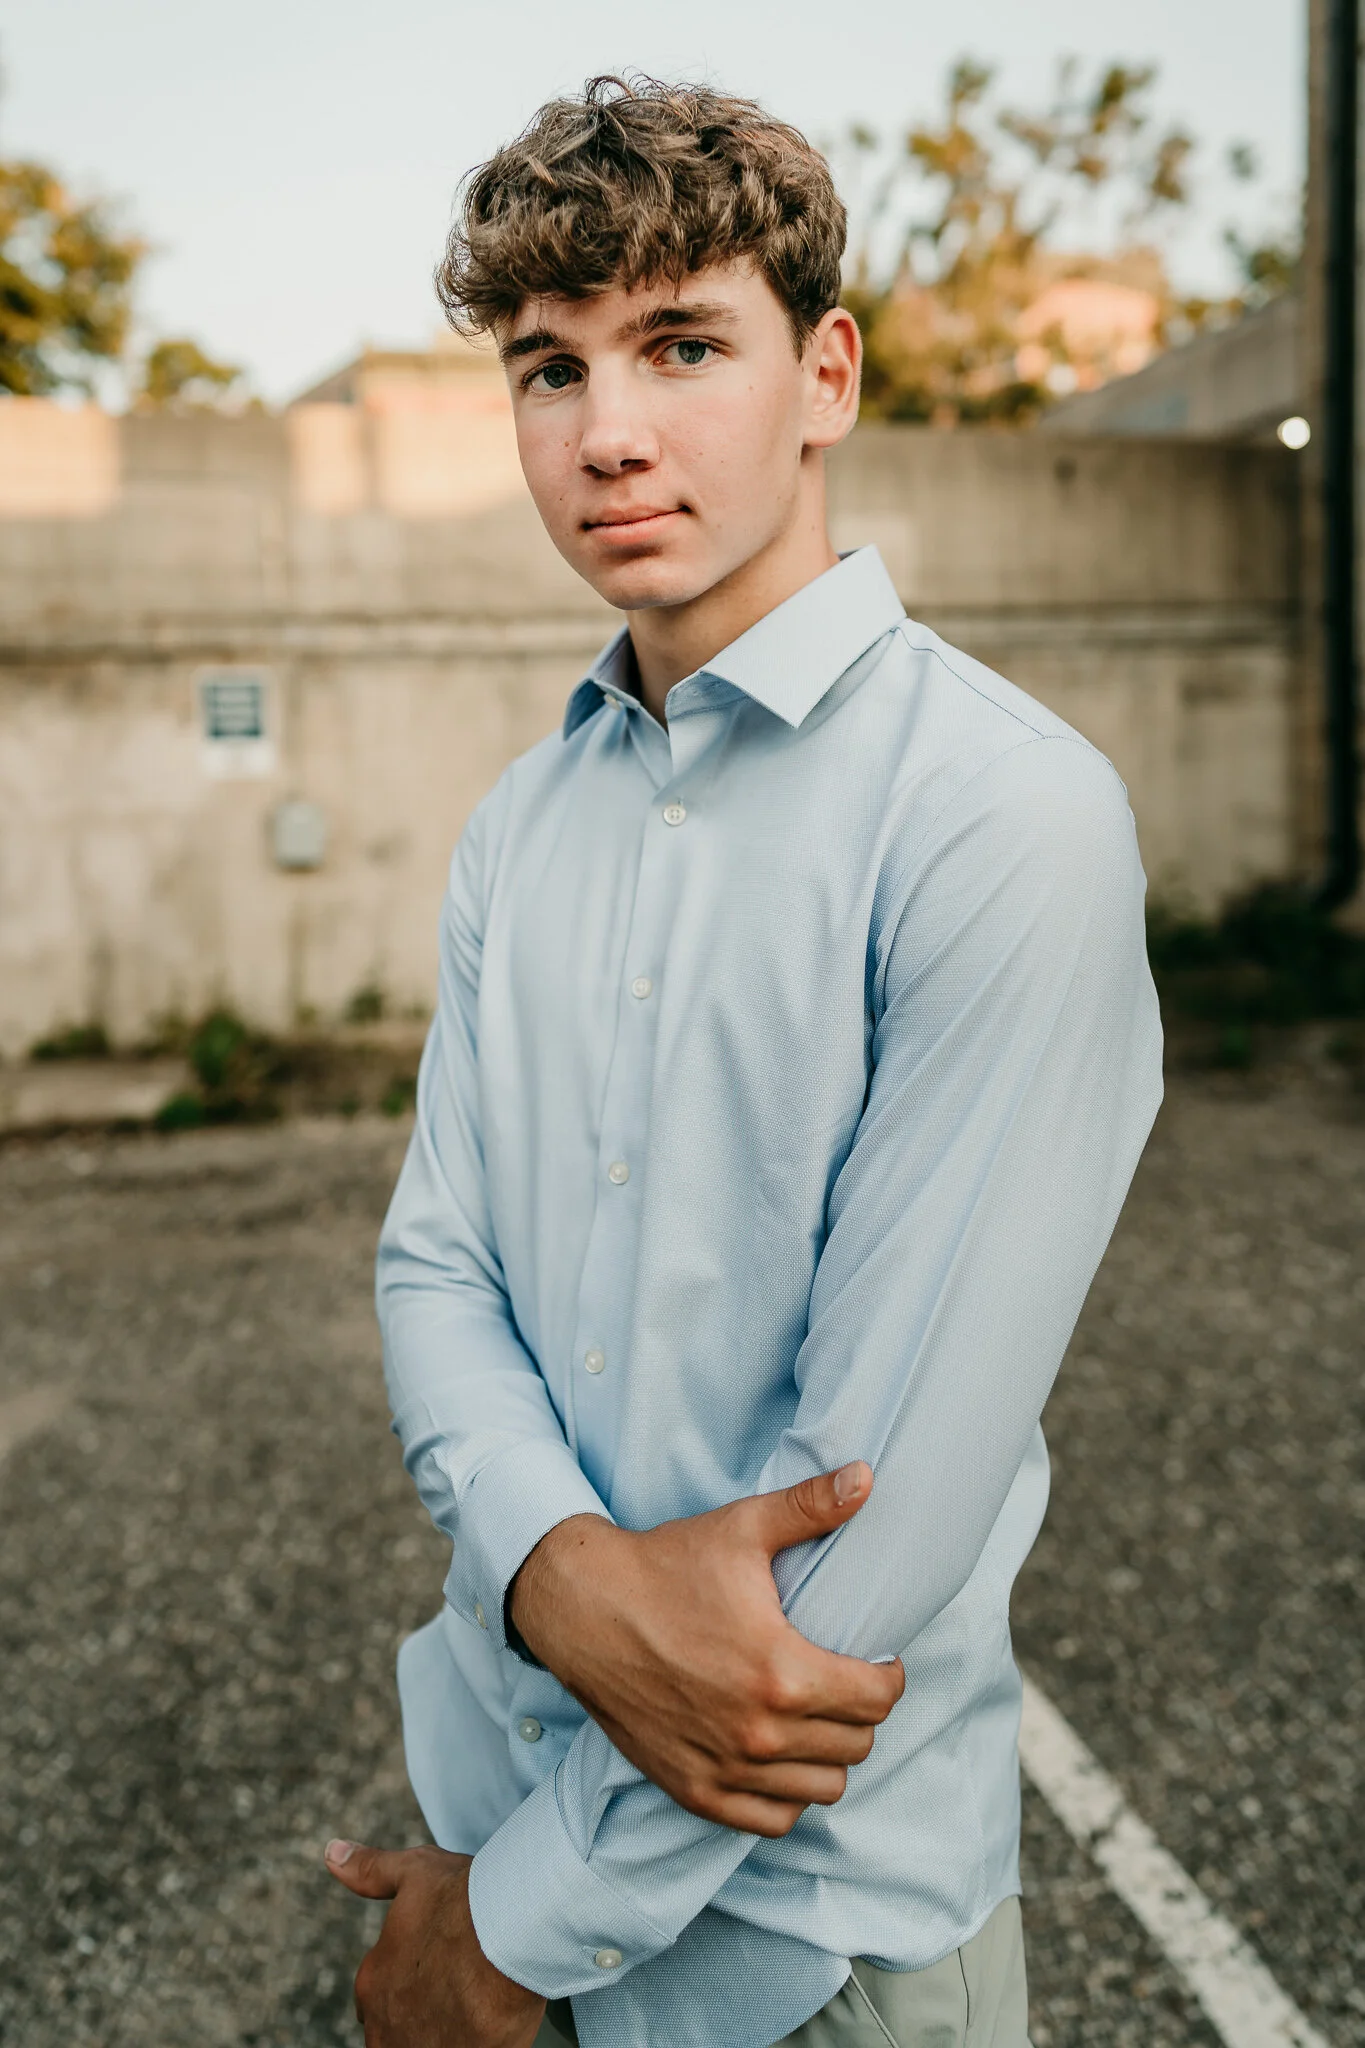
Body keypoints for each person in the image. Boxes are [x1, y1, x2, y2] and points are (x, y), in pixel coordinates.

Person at [324, 75, 1163, 2048]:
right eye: (551, 368)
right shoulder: (521, 823)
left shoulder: (1001, 813)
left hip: (811, 1950)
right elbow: (436, 1267)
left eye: (681, 345)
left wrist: (506, 1933)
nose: (605, 431)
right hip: (499, 1798)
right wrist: (550, 1573)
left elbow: (861, 1550)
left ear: (825, 377)